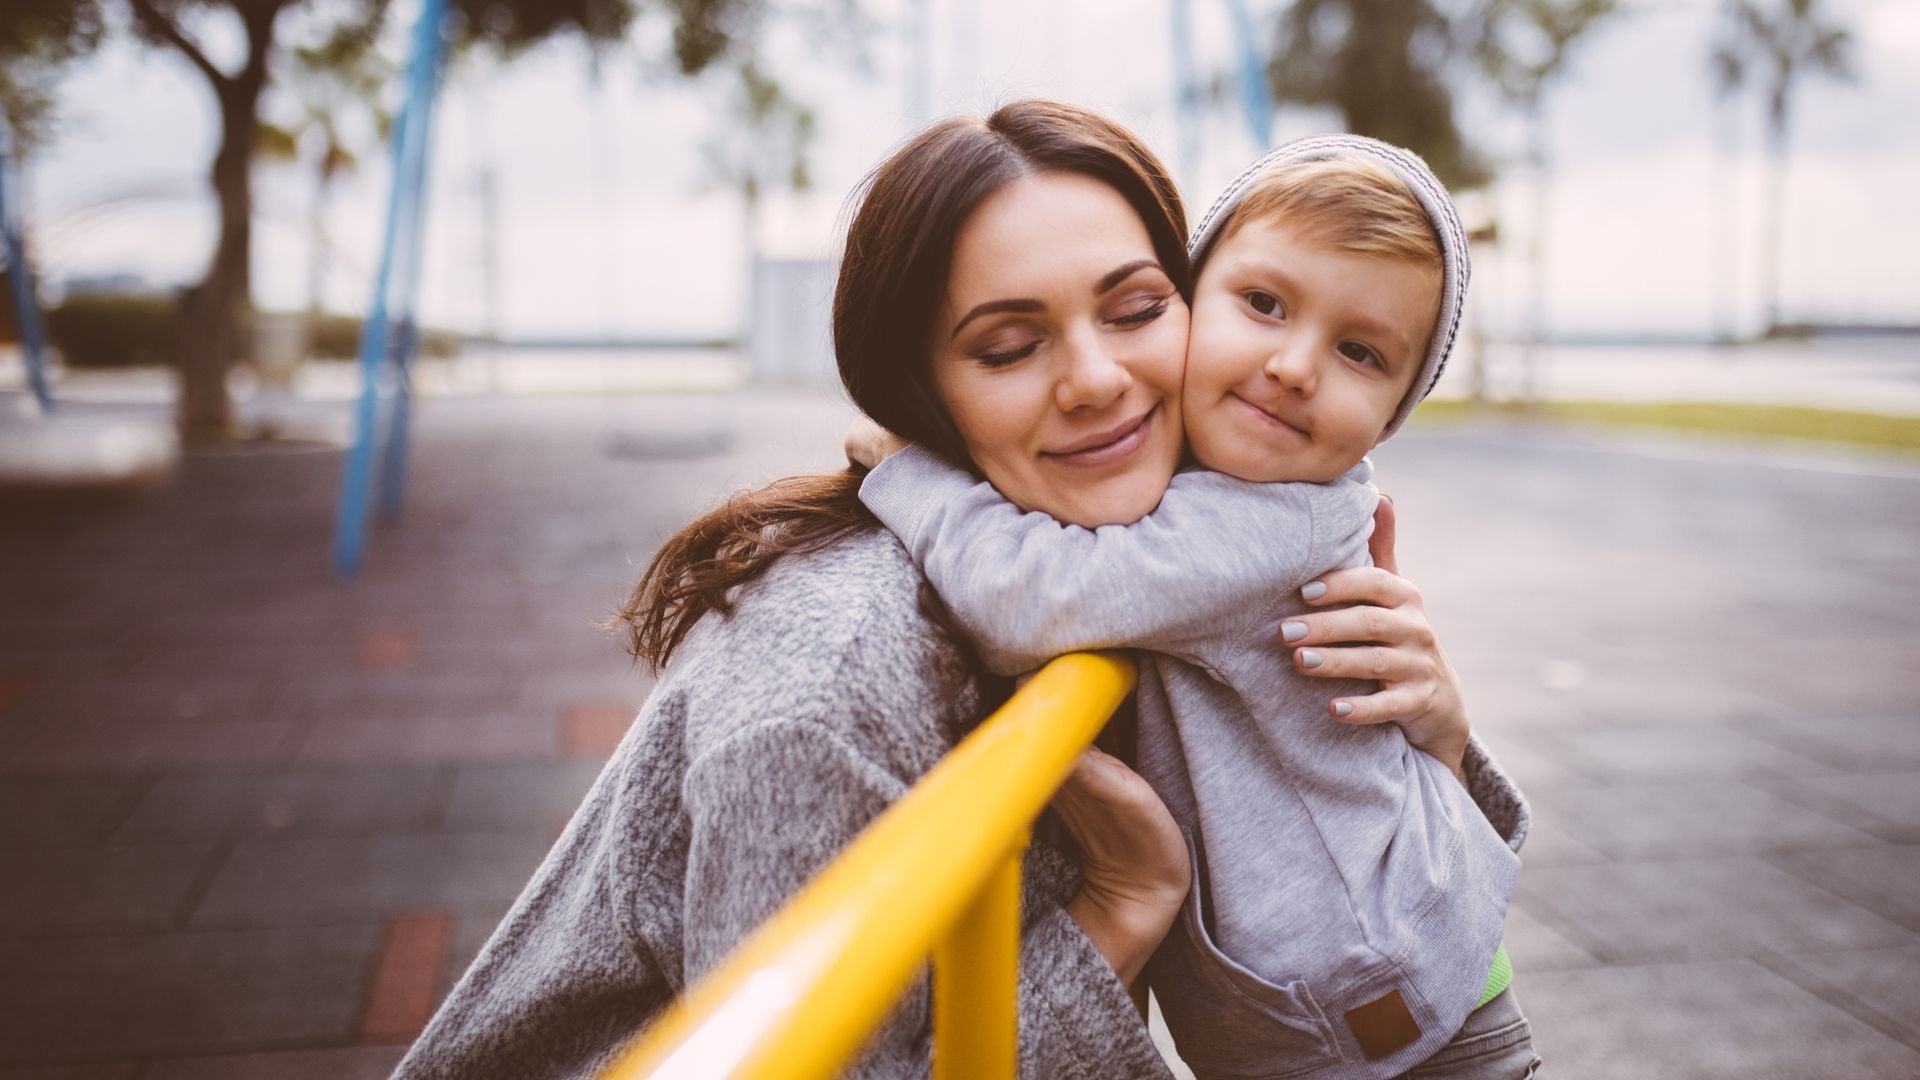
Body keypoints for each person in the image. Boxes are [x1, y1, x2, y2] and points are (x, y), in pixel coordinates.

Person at [391, 101, 1523, 1080]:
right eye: (1005, 345)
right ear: (913, 385)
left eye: (1133, 308)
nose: (1097, 380)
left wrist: (1434, 728)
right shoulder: (828, 688)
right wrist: (1116, 915)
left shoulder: (1187, 527)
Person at [848, 135, 1535, 1078]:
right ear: (1194, 294)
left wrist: (909, 473)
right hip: (1403, 957)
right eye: (1263, 304)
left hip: (1390, 1021)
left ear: (1388, 420)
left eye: (1360, 352)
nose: (1294, 365)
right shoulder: (1215, 482)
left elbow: (1031, 599)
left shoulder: (1265, 521)